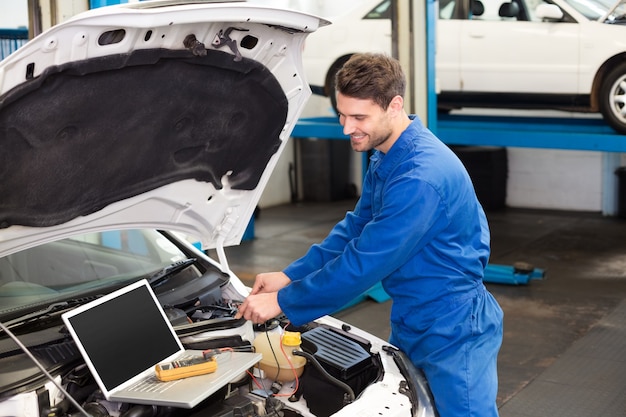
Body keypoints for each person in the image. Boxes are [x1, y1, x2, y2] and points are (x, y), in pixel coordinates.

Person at [235, 53, 504, 417]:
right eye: (342, 114)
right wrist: (289, 275)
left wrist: (285, 301)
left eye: (359, 117)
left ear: (395, 106)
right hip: (415, 317)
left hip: (453, 328)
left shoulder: (419, 178)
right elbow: (355, 229)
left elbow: (365, 263)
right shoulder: (388, 154)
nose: (347, 128)